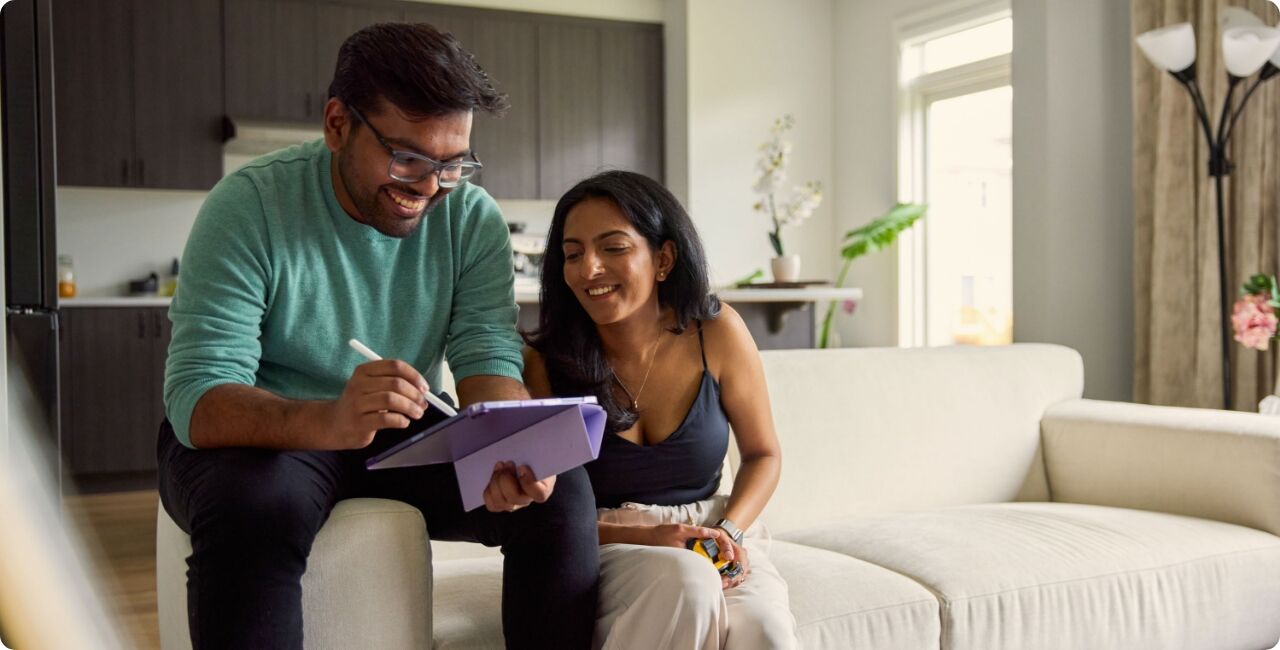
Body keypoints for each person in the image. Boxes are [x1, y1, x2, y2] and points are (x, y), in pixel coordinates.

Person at [158, 23, 599, 649]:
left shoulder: (468, 216)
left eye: (452, 165)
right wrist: (329, 419)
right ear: (338, 124)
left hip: (396, 426)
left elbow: (485, 355)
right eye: (408, 158)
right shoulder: (250, 205)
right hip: (257, 435)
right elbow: (199, 395)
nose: (429, 188)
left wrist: (513, 441)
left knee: (559, 497)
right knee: (257, 511)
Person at [523, 171, 797, 649]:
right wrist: (652, 535)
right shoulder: (545, 364)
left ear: (663, 258)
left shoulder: (717, 332)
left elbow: (763, 454)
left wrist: (727, 531)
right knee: (686, 582)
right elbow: (540, 511)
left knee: (766, 634)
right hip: (606, 540)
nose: (588, 268)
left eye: (613, 248)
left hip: (709, 529)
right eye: (572, 253)